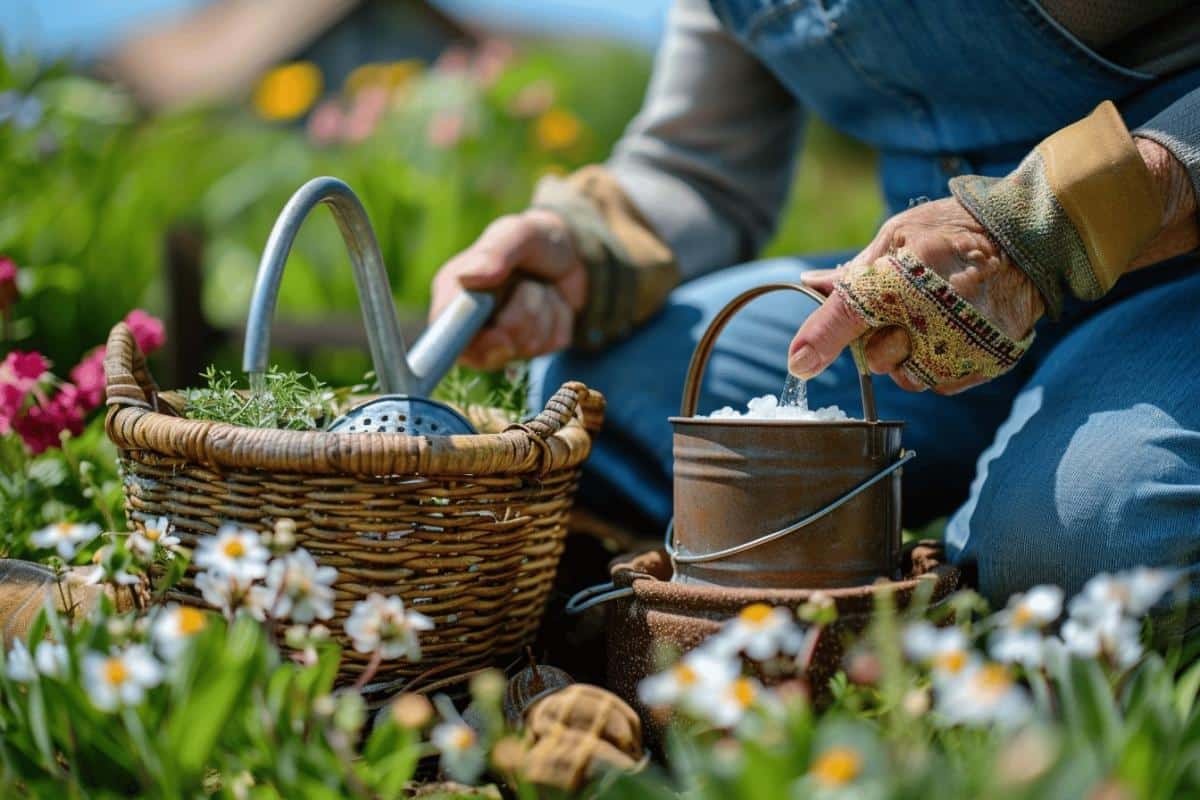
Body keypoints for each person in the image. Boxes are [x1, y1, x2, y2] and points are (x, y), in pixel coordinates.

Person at [429, 0, 1200, 608]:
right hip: (923, 311)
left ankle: (1019, 523)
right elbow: (698, 166)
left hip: (1175, 273)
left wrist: (1040, 228)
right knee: (606, 393)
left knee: (1088, 534)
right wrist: (584, 243)